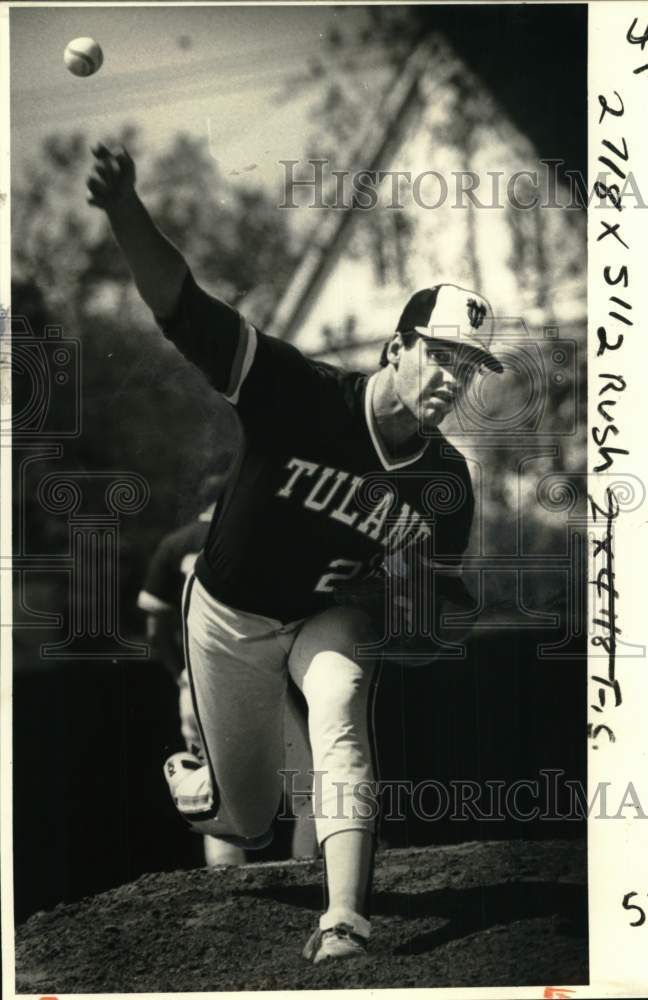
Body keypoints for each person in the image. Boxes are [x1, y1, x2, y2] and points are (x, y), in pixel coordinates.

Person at [87, 142, 503, 963]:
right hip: (230, 614)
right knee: (240, 818)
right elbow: (183, 307)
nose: (455, 377)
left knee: (342, 708)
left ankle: (344, 917)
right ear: (398, 347)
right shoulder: (301, 394)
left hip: (325, 614)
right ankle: (197, 775)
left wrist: (405, 611)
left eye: (470, 366)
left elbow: (424, 627)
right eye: (442, 354)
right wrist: (126, 209)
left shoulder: (444, 482)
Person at [137, 474, 318, 867]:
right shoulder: (250, 538)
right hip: (258, 677)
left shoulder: (175, 544)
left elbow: (154, 626)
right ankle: (308, 868)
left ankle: (223, 882)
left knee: (215, 789)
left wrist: (180, 675)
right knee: (306, 786)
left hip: (198, 685)